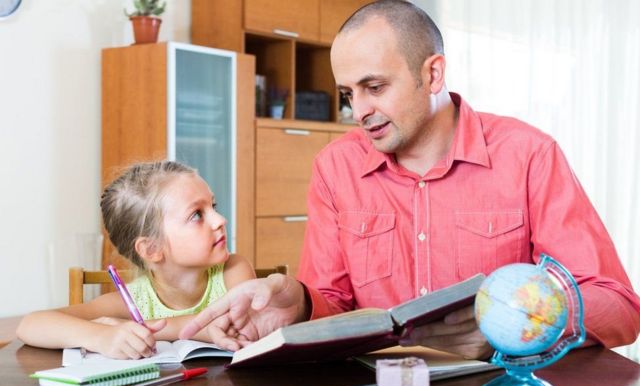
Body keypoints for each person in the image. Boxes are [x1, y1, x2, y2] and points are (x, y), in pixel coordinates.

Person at [180, 0, 640, 359]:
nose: (358, 111)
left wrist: (512, 325)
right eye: (348, 93)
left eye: (374, 88)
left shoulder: (528, 155)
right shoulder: (335, 168)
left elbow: (618, 306)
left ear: (433, 74)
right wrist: (298, 305)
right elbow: (333, 304)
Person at [17, 160, 255, 359]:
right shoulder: (132, 301)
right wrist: (100, 335)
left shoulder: (234, 270)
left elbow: (239, 324)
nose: (220, 219)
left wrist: (146, 328)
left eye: (213, 206)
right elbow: (30, 324)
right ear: (152, 249)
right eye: (197, 215)